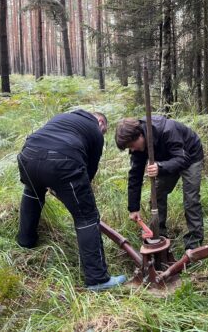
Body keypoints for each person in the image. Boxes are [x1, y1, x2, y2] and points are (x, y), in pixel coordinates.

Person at [16, 109, 126, 291]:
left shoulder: (63, 117)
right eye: (104, 130)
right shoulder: (96, 131)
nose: (102, 133)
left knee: (33, 194)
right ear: (100, 122)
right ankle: (97, 279)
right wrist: (73, 194)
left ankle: (25, 242)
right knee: (87, 217)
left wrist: (57, 184)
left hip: (28, 155)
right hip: (62, 161)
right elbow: (88, 174)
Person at [115, 116, 204, 250]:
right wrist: (133, 208)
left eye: (132, 146)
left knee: (191, 200)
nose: (132, 150)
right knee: (156, 194)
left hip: (189, 156)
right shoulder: (138, 147)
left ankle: (194, 245)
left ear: (139, 135)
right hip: (166, 159)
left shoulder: (167, 130)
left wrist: (160, 167)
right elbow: (135, 175)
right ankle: (159, 236)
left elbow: (182, 159)